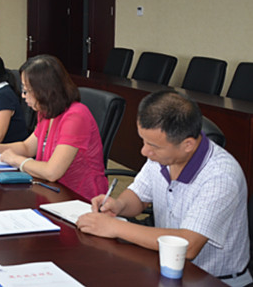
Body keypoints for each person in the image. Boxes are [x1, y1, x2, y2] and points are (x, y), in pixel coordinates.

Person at [77, 91, 250, 285]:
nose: (144, 151)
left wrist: (114, 227)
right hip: (165, 268)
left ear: (188, 144)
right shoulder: (162, 156)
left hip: (213, 280)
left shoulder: (221, 176)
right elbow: (139, 196)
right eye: (143, 141)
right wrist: (119, 205)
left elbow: (188, 245)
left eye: (153, 146)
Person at [0, 54, 107, 201]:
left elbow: (52, 172)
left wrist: (16, 160)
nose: (23, 96)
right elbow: (27, 147)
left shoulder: (76, 117)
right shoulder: (47, 112)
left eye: (27, 90)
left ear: (44, 91)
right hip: (49, 190)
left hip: (79, 198)